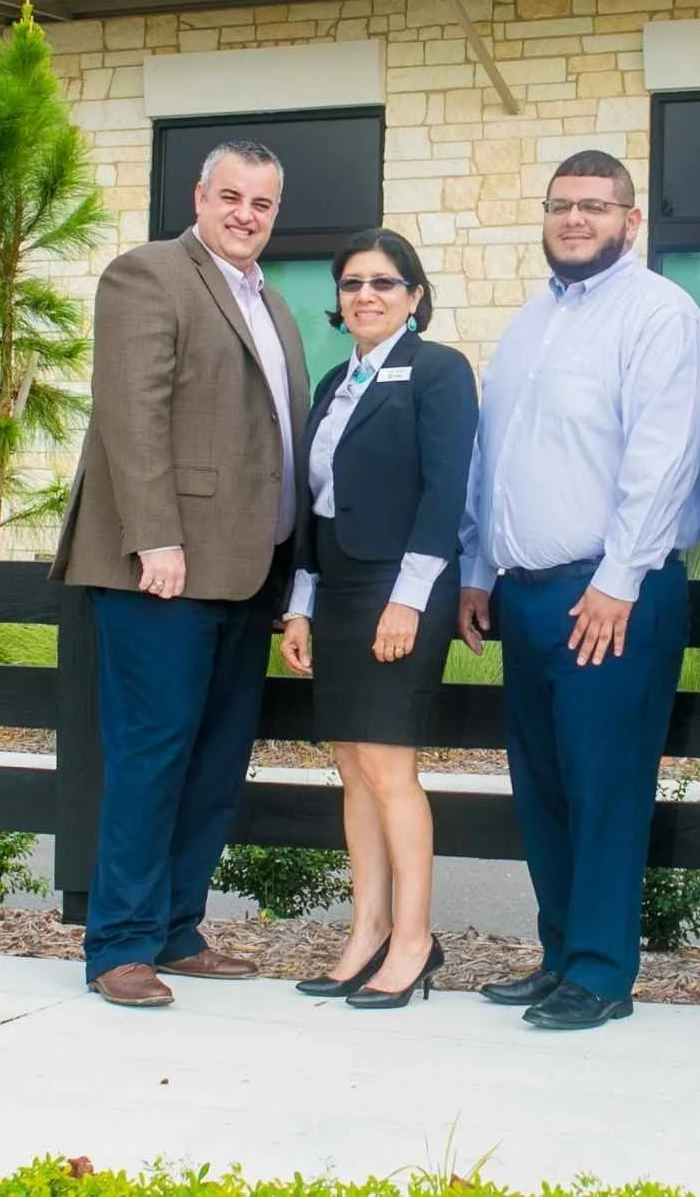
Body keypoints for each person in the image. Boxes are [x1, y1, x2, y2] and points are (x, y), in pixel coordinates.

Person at [459, 149, 700, 1033]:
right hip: (525, 596)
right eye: (562, 205)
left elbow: (663, 455)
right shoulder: (529, 324)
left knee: (605, 786)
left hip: (613, 596)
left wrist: (616, 580)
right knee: (543, 786)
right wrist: (477, 571)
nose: (575, 219)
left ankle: (602, 973)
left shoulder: (659, 315)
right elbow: (493, 460)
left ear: (630, 220)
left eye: (595, 206)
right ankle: (561, 953)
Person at [51, 140, 310, 1010]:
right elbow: (132, 415)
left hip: (246, 573)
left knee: (213, 760)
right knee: (152, 755)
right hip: (161, 570)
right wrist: (154, 537)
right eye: (231, 195)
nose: (245, 213)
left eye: (262, 203)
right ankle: (119, 943)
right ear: (199, 196)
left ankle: (175, 926)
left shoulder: (273, 303)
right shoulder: (148, 275)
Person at [277, 229, 478, 1010]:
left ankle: (415, 939)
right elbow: (312, 506)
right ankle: (366, 928)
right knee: (353, 766)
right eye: (353, 283)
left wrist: (408, 596)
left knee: (391, 768)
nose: (366, 295)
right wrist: (300, 605)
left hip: (404, 589)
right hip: (337, 590)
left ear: (414, 295)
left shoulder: (438, 371)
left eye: (384, 283)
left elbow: (445, 491)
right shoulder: (335, 380)